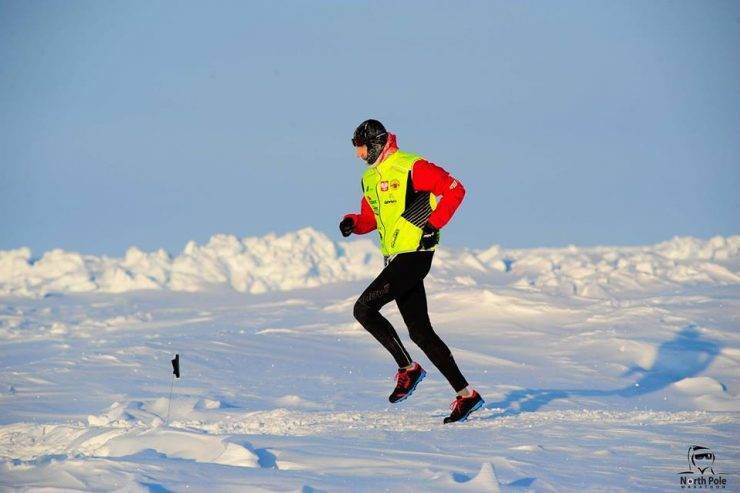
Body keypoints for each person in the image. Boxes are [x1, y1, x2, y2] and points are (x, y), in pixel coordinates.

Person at [340, 119, 484, 424]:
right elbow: (372, 218)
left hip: (415, 254)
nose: (358, 155)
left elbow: (455, 189)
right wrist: (354, 223)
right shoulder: (369, 179)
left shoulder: (412, 166)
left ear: (376, 144)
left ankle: (408, 369)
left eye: (361, 148)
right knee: (420, 332)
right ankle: (466, 395)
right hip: (396, 258)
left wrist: (433, 227)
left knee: (364, 308)